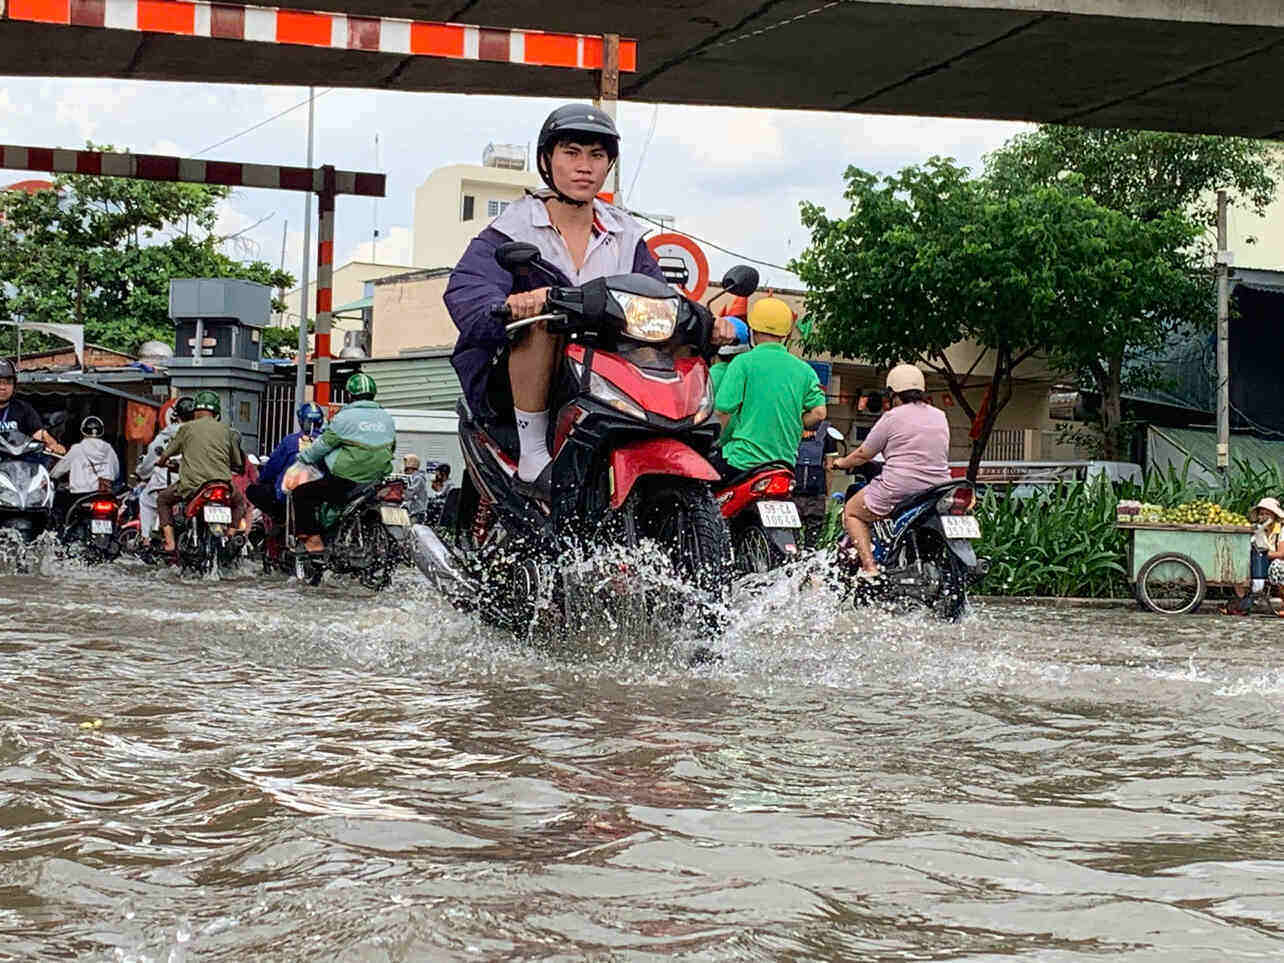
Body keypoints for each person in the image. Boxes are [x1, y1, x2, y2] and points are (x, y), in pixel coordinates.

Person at [444, 103, 732, 489]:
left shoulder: (625, 234)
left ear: (608, 165)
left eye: (597, 155)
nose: (585, 166)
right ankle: (533, 454)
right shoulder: (512, 227)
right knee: (544, 319)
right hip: (516, 377)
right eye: (572, 153)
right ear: (547, 160)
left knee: (680, 344)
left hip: (606, 366)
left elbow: (661, 294)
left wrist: (709, 323)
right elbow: (468, 285)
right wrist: (510, 304)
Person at [829, 364, 951, 576]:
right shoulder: (940, 415)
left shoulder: (892, 417)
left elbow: (863, 454)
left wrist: (840, 463)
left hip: (900, 487)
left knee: (852, 512)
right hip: (938, 488)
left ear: (893, 394)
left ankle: (869, 568)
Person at [710, 296, 827, 480]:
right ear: (786, 334)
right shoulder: (805, 370)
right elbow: (819, 413)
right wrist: (799, 421)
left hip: (741, 462)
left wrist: (713, 443)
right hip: (784, 465)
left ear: (752, 330)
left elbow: (723, 411)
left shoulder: (743, 363)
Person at [291, 372, 397, 554]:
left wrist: (303, 458)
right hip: (377, 479)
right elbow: (391, 447)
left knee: (301, 493)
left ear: (349, 395)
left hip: (348, 480)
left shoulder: (343, 418)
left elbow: (323, 445)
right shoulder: (387, 418)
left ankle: (314, 541)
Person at [155, 390, 247, 558]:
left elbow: (167, 453)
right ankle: (231, 536)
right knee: (240, 503)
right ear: (216, 412)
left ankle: (170, 543)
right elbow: (237, 462)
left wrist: (161, 462)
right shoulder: (227, 430)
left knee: (162, 499)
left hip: (192, 486)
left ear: (195, 410)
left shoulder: (186, 428)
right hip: (223, 485)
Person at [248, 402, 325, 524]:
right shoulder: (326, 442)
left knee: (253, 490)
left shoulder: (290, 441)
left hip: (287, 497)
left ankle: (279, 521)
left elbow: (273, 467)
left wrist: (262, 479)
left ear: (301, 420)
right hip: (320, 496)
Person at [136, 396, 195, 544]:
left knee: (145, 499)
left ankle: (147, 539)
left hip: (169, 484)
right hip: (196, 485)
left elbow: (151, 460)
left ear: (175, 415)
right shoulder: (201, 434)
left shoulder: (167, 435)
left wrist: (142, 473)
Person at [50, 415, 120, 525]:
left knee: (59, 506)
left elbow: (59, 470)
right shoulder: (109, 449)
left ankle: (62, 531)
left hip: (80, 495)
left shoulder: (77, 449)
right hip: (103, 493)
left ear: (83, 431)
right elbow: (116, 472)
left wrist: (51, 476)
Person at [1222, 497, 1284, 616]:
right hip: (1259, 560)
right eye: (1262, 514)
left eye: (1268, 514)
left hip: (1276, 561)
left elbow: (1281, 553)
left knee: (1277, 566)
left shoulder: (1281, 530)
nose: (1264, 516)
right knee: (1238, 563)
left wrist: (1263, 554)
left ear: (1274, 515)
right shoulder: (1257, 529)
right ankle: (1243, 601)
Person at [0, 358, 64, 455]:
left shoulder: (24, 409)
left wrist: (53, 444)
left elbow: (38, 432)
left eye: (8, 382)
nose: (3, 387)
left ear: (15, 385)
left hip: (17, 465)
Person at [794, 417, 840, 547]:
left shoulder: (790, 426)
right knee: (812, 540)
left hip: (792, 491)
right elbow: (829, 467)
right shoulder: (827, 432)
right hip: (816, 493)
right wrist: (827, 493)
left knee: (790, 539)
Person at [402, 453, 430, 523]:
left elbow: (409, 495)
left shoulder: (418, 478)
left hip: (417, 512)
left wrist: (400, 491)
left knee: (412, 531)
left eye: (406, 468)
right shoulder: (414, 478)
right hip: (414, 511)